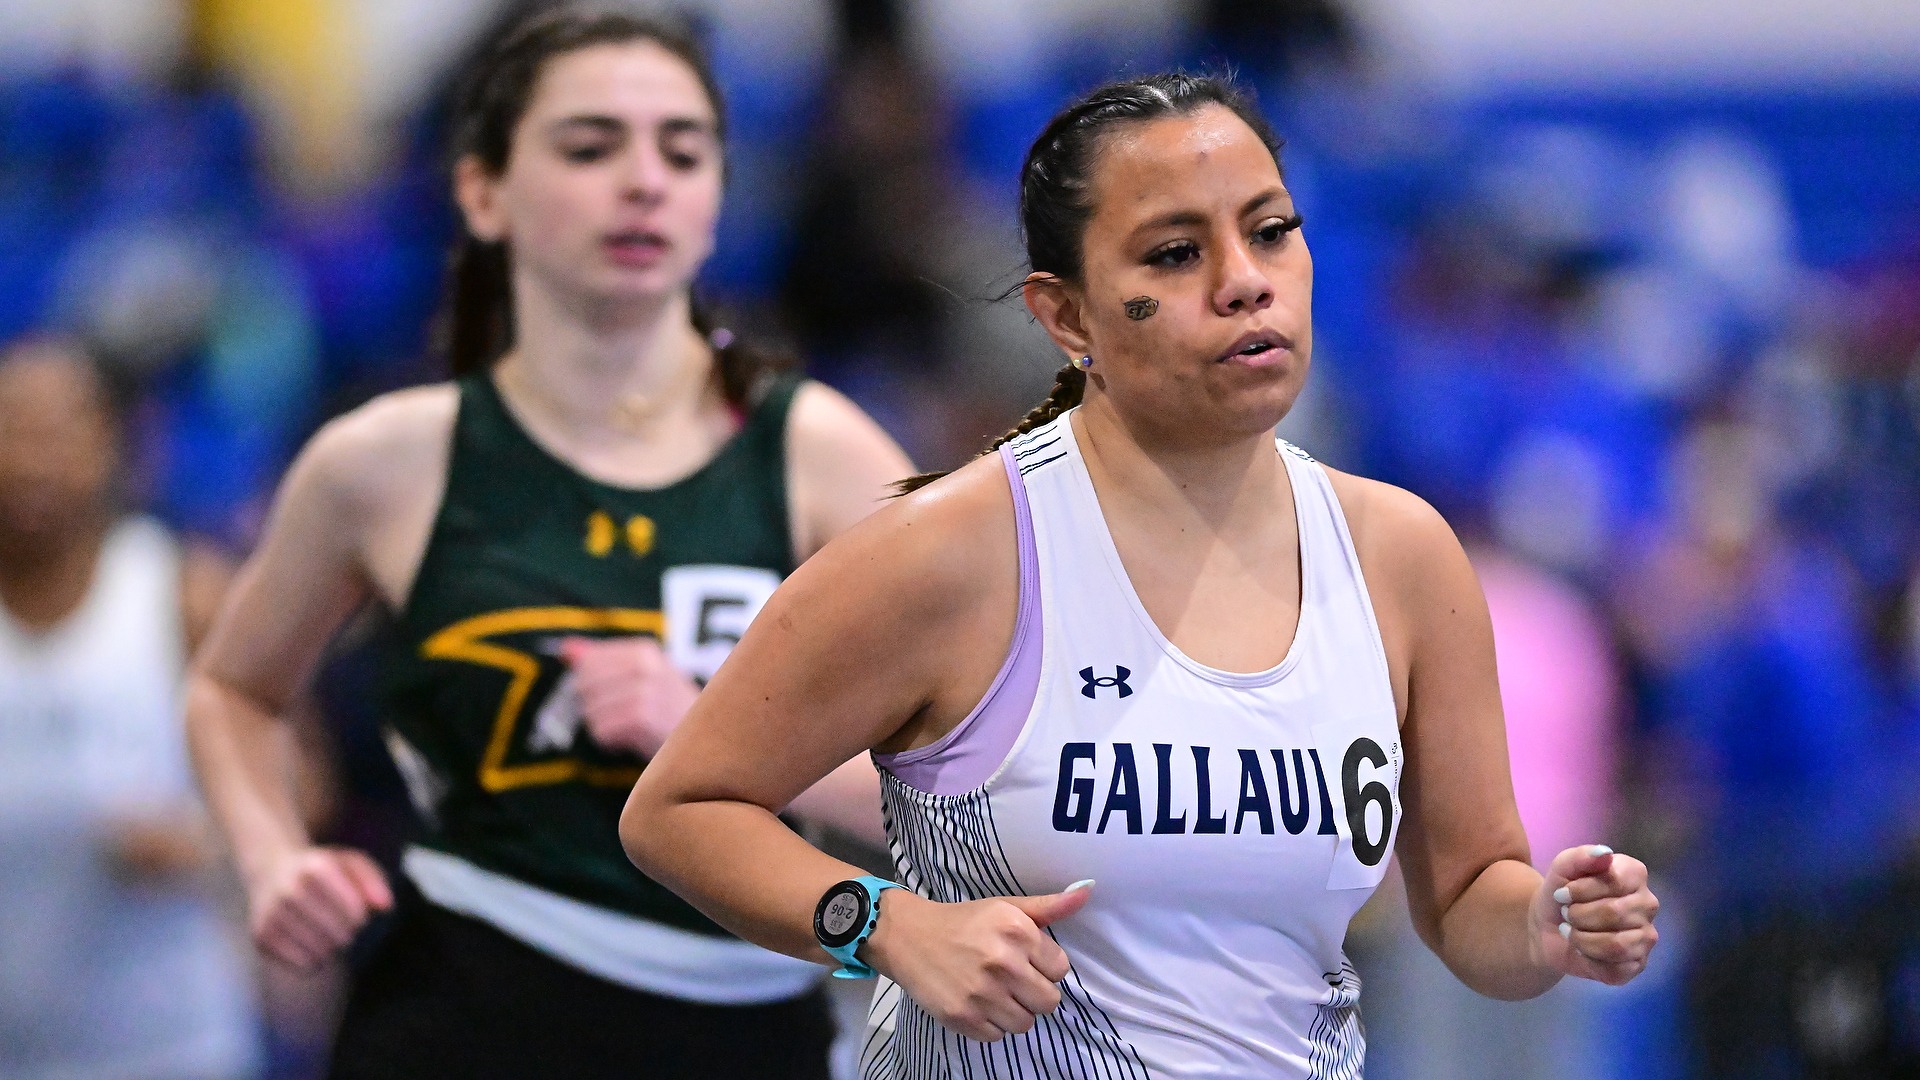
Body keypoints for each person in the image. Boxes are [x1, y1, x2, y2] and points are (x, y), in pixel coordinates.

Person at [620, 72, 1661, 1076]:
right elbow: (680, 810)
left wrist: (1548, 921)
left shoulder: (1401, 554)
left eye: (1270, 231)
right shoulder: (953, 553)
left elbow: (1471, 894)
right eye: (1173, 253)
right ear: (1068, 318)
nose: (1243, 279)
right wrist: (882, 925)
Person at [184, 10, 912, 1080]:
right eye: (588, 146)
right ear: (483, 190)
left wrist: (722, 744)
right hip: (461, 1019)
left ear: (717, 194)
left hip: (744, 1030)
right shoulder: (386, 462)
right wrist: (270, 857)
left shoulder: (822, 456)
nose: (642, 181)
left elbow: (974, 787)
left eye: (682, 149)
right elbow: (233, 690)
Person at [0, 337, 258, 1080]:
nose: (32, 461)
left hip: (168, 1049)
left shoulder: (184, 594)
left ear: (119, 443)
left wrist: (202, 845)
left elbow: (300, 785)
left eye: (61, 431)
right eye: (12, 430)